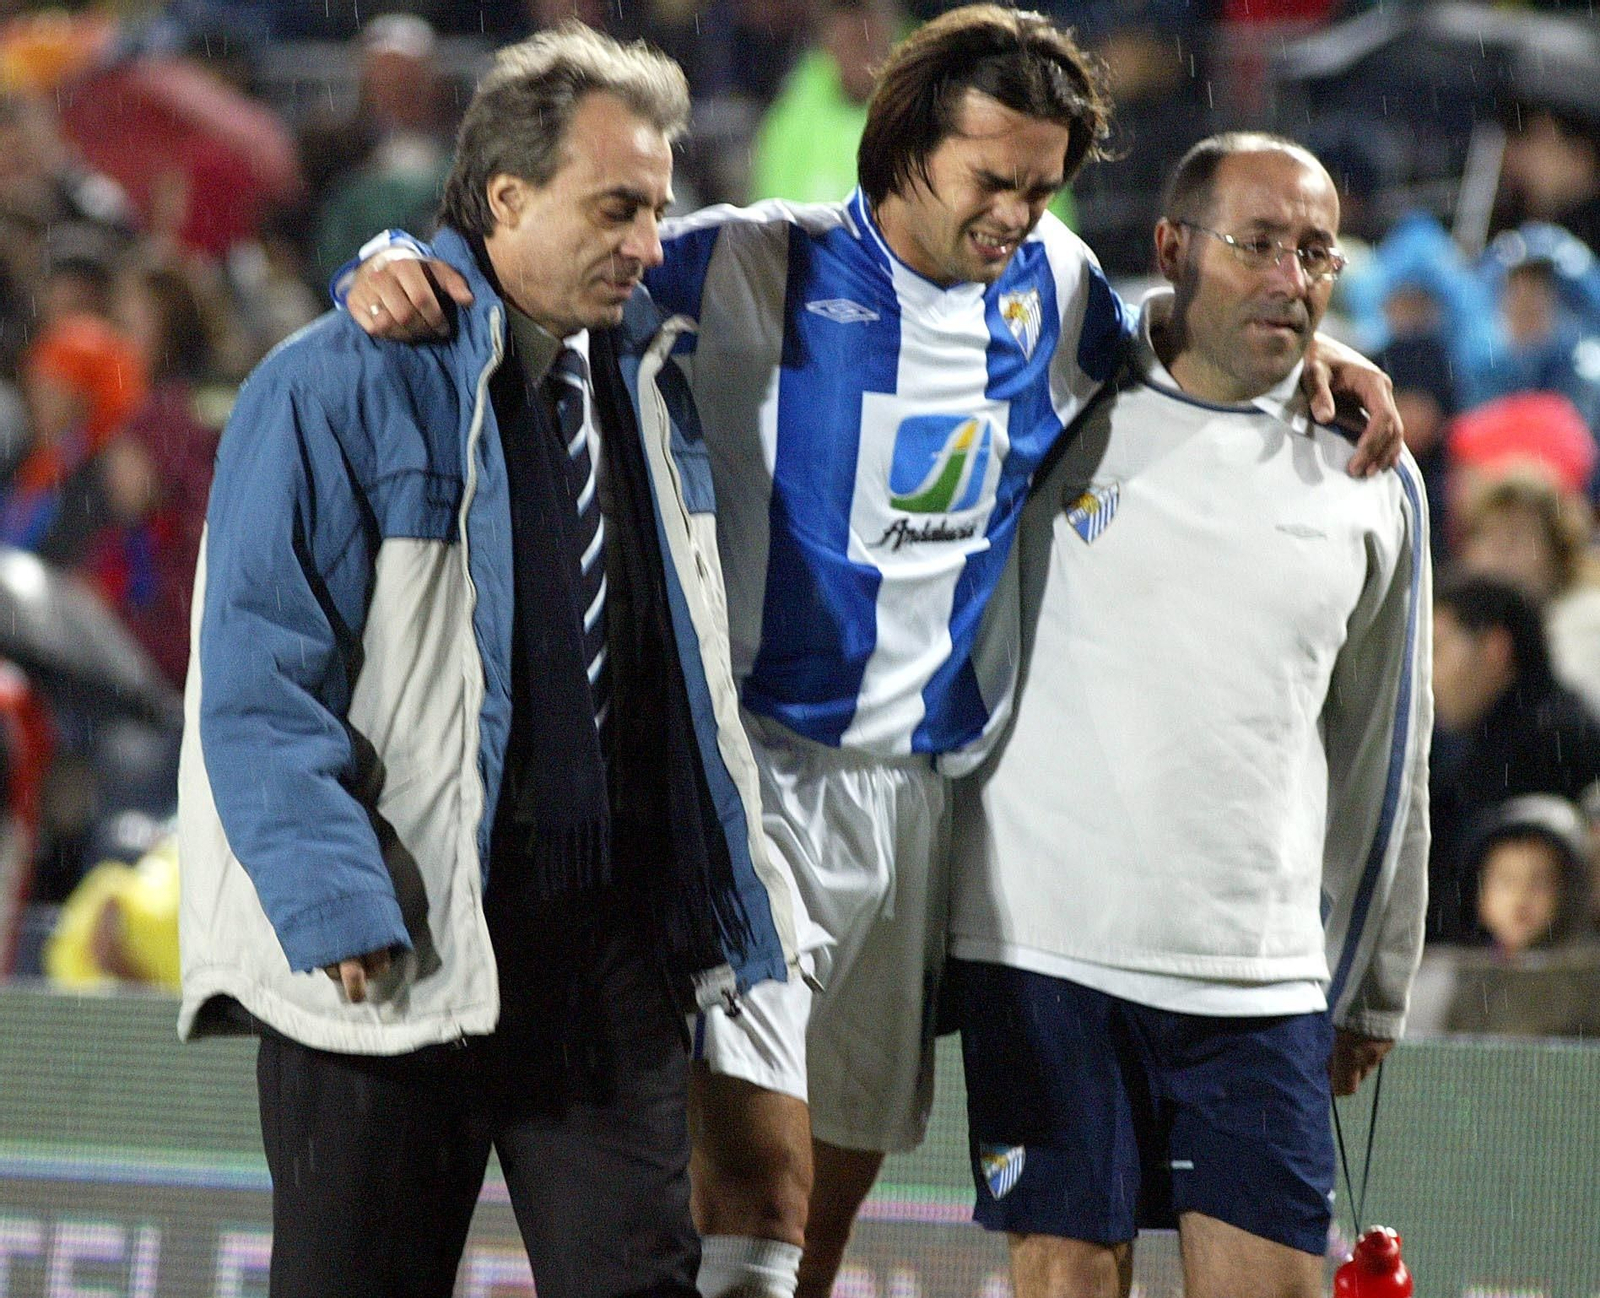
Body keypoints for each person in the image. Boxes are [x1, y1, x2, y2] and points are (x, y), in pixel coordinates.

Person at [342, 12, 1403, 1296]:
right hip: (761, 783)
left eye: (1040, 185)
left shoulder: (1059, 290)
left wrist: (1313, 358)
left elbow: (1191, 358)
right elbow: (548, 259)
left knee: (819, 1217)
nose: (1017, 212)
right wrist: (406, 250)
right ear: (900, 147)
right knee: (757, 1185)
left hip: (918, 811)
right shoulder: (745, 268)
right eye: (991, 180)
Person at [176, 26, 800, 1298]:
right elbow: (254, 673)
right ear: (505, 196)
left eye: (658, 210)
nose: (647, 243)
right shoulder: (330, 384)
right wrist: (335, 895)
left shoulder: (650, 380)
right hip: (396, 943)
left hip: (604, 959)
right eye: (616, 208)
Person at [946, 134, 1431, 1298]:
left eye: (1313, 251)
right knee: (1065, 1279)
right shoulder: (1050, 405)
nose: (1288, 276)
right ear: (1171, 249)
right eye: (1255, 243)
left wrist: (1369, 979)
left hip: (1256, 976)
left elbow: (1384, 748)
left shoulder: (1369, 468)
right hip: (1042, 949)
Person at [1430, 570, 1600, 942]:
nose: (1428, 674)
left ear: (1495, 648)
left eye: (1438, 649)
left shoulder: (1549, 743)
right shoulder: (1478, 744)